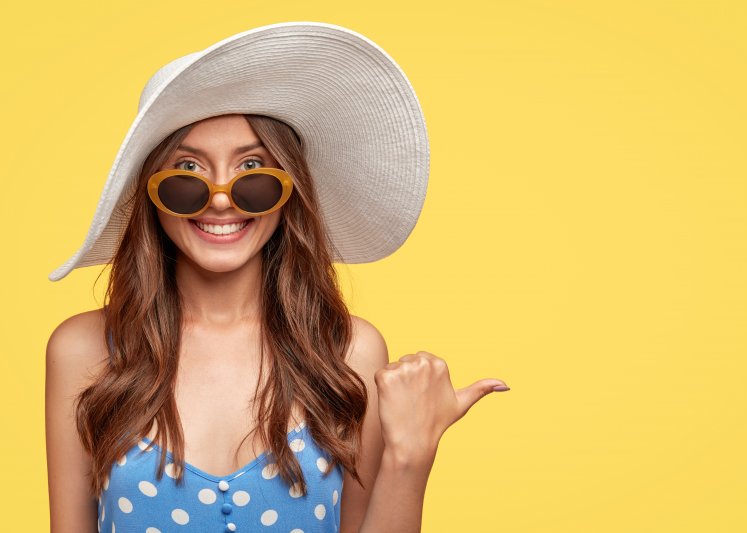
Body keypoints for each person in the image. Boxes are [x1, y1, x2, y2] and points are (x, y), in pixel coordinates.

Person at [45, 22, 509, 533]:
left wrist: (411, 457)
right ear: (152, 195)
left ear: (289, 190)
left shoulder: (348, 352)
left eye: (252, 169)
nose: (221, 197)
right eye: (188, 172)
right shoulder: (83, 350)